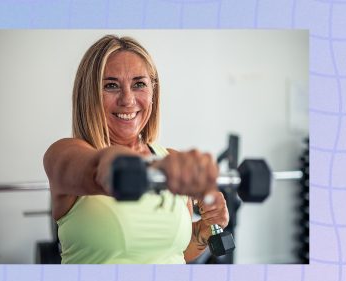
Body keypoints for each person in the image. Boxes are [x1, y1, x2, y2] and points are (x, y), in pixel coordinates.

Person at [43, 35, 229, 264]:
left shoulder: (170, 158)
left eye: (139, 84)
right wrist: (155, 167)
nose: (128, 100)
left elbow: (171, 254)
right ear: (89, 94)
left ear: (153, 91)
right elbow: (103, 169)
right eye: (111, 86)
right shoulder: (64, 154)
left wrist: (201, 234)